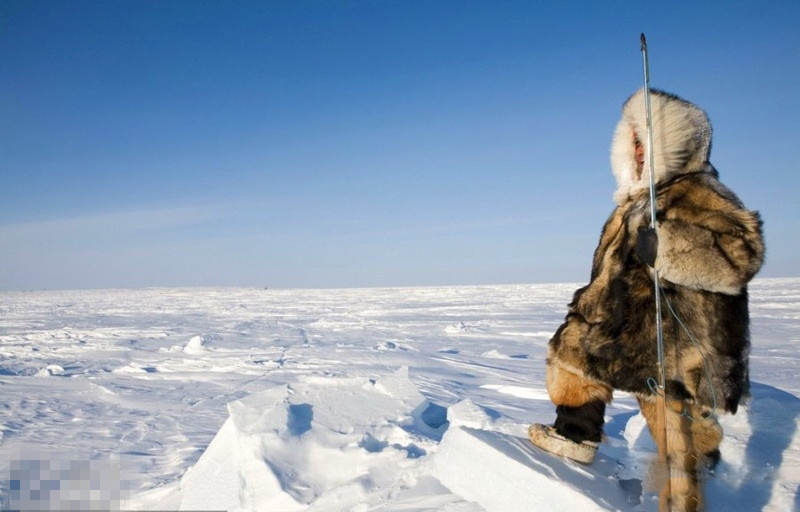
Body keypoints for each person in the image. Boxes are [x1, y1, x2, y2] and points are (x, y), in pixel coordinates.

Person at [529, 89, 765, 512]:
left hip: (679, 338)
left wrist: (670, 247)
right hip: (622, 325)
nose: (638, 151)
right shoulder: (629, 205)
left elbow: (739, 256)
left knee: (673, 431)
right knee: (572, 356)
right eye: (633, 141)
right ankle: (576, 437)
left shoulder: (701, 192)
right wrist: (586, 310)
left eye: (647, 141)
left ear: (675, 144)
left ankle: (696, 473)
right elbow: (609, 271)